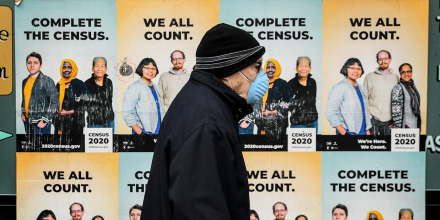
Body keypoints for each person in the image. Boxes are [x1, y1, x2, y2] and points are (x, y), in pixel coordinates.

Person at [141, 23, 267, 220]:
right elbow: (200, 211)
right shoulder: (208, 122)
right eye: (256, 67)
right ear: (231, 67)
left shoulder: (202, 101)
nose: (262, 77)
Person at [326, 58, 372, 135]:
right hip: (348, 132)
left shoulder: (360, 87)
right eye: (352, 68)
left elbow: (364, 110)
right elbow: (330, 112)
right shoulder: (340, 87)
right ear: (346, 69)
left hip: (363, 131)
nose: (356, 71)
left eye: (358, 68)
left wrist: (367, 129)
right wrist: (343, 133)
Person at [122, 58, 164, 135]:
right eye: (147, 68)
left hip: (157, 131)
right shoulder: (135, 86)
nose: (150, 71)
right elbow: (126, 112)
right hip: (143, 133)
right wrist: (139, 132)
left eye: (153, 68)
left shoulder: (155, 87)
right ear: (141, 69)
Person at [255, 59, 293, 139]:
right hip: (262, 124)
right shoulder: (261, 83)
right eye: (268, 67)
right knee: (261, 148)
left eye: (273, 67)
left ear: (277, 69)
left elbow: (290, 102)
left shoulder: (282, 84)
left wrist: (272, 112)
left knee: (277, 149)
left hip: (278, 126)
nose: (270, 70)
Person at [363, 50, 399, 135]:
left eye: (385, 58)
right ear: (377, 61)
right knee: (372, 147)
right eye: (380, 59)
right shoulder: (369, 77)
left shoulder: (395, 77)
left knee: (388, 147)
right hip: (373, 120)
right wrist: (369, 119)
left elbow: (399, 100)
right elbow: (364, 98)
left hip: (390, 121)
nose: (383, 61)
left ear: (390, 59)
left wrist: (396, 119)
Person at [21, 52, 58, 134]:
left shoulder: (47, 81)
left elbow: (55, 103)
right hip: (27, 122)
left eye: (35, 63)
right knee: (30, 146)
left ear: (40, 65)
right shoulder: (25, 81)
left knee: (41, 146)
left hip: (40, 124)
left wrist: (45, 121)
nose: (32, 65)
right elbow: (24, 99)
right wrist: (23, 112)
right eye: (29, 63)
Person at [54, 59, 89, 135]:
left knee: (76, 146)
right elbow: (54, 103)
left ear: (73, 69)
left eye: (69, 67)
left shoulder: (80, 84)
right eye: (64, 67)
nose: (66, 70)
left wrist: (68, 112)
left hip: (76, 124)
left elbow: (86, 104)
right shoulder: (59, 85)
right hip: (61, 125)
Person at [85, 57, 115, 132]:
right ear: (93, 69)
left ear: (106, 69)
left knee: (110, 143)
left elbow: (110, 99)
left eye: (102, 66)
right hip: (94, 123)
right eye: (97, 66)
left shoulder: (109, 82)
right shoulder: (87, 84)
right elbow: (84, 104)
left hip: (110, 122)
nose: (99, 69)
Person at [288, 56, 318, 129]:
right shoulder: (291, 84)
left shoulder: (312, 82)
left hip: (313, 122)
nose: (303, 69)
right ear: (296, 68)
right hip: (298, 124)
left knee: (314, 140)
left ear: (310, 69)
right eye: (300, 66)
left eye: (306, 66)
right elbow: (287, 104)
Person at [391, 63, 421, 129]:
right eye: (403, 72)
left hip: (415, 123)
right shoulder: (398, 88)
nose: (406, 74)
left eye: (408, 71)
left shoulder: (413, 87)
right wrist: (400, 129)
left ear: (411, 72)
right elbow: (395, 111)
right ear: (400, 74)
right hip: (405, 125)